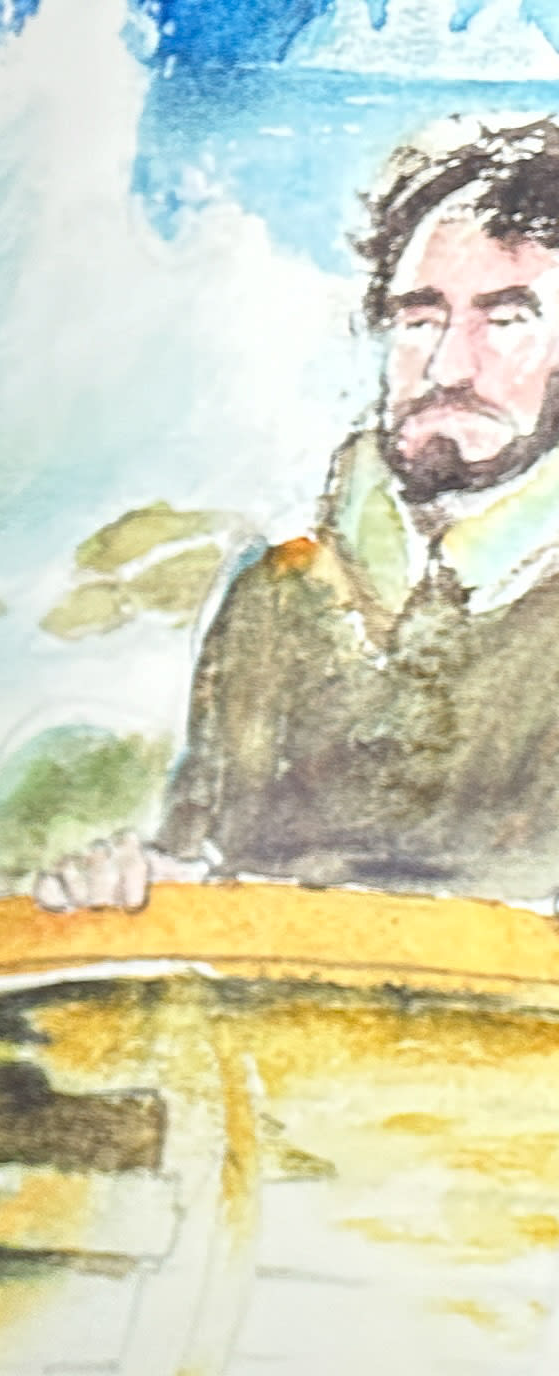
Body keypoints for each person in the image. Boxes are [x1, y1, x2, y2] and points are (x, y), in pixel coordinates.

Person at [45, 119, 559, 910]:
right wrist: (138, 890)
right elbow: (208, 867)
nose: (447, 365)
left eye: (507, 319)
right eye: (420, 318)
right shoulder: (279, 592)